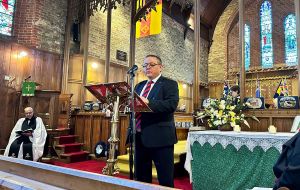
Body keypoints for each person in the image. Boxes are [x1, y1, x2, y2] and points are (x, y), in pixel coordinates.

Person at [134, 54, 179, 187]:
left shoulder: (169, 84)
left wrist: (149, 103)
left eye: (151, 64)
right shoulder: (139, 86)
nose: (147, 67)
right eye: (145, 65)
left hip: (161, 138)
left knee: (165, 178)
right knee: (141, 177)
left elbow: (171, 105)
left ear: (160, 67)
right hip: (140, 136)